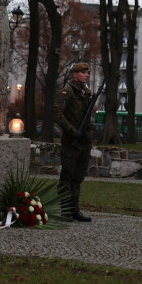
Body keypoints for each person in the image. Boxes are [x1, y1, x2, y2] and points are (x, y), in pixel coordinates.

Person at [53, 62, 95, 222]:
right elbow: (57, 113)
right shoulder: (67, 91)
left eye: (87, 72)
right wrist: (72, 131)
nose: (87, 75)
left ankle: (74, 209)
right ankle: (65, 209)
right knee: (67, 175)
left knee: (78, 176)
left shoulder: (86, 92)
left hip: (84, 140)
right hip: (71, 141)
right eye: (83, 72)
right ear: (74, 74)